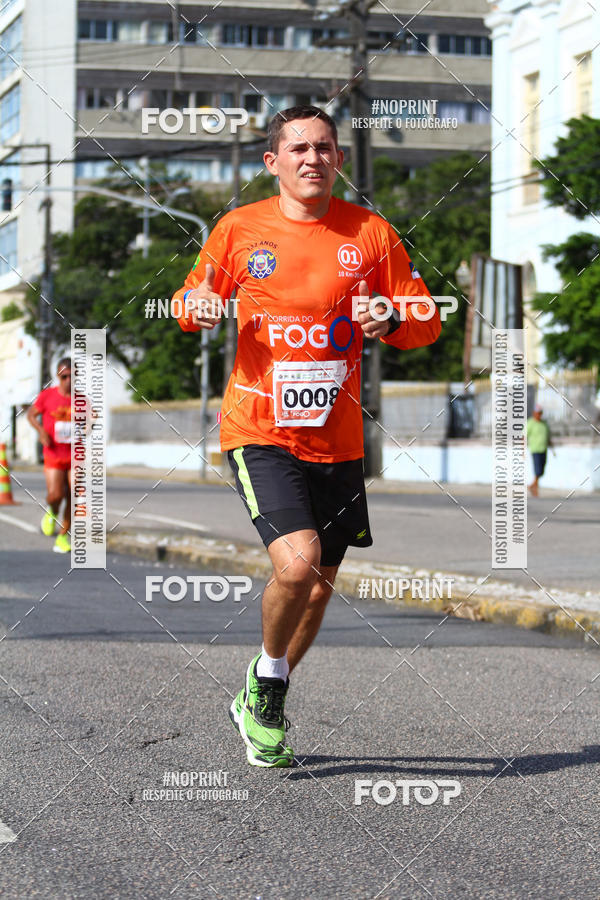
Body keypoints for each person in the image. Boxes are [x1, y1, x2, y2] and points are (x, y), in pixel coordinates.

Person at [172, 105, 441, 768]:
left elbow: (425, 316)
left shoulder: (371, 233)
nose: (312, 158)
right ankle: (267, 684)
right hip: (258, 428)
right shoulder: (238, 230)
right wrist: (197, 307)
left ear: (339, 160)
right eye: (298, 149)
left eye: (324, 148)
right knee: (295, 562)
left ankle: (266, 688)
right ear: (274, 162)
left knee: (318, 585)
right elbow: (190, 298)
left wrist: (392, 314)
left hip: (339, 440)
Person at [27, 357, 72, 553]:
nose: (68, 380)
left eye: (72, 376)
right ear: (58, 376)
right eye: (64, 377)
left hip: (74, 455)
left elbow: (90, 423)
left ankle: (63, 537)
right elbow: (31, 415)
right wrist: (42, 431)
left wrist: (90, 423)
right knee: (56, 494)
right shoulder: (47, 396)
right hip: (53, 453)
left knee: (74, 495)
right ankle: (52, 512)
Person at [527, 403, 553, 496]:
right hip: (535, 449)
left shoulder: (544, 424)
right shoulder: (530, 423)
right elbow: (524, 436)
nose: (539, 415)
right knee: (538, 469)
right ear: (534, 413)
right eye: (538, 413)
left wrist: (552, 448)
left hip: (544, 449)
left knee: (542, 470)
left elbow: (548, 436)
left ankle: (533, 485)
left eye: (540, 413)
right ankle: (534, 486)